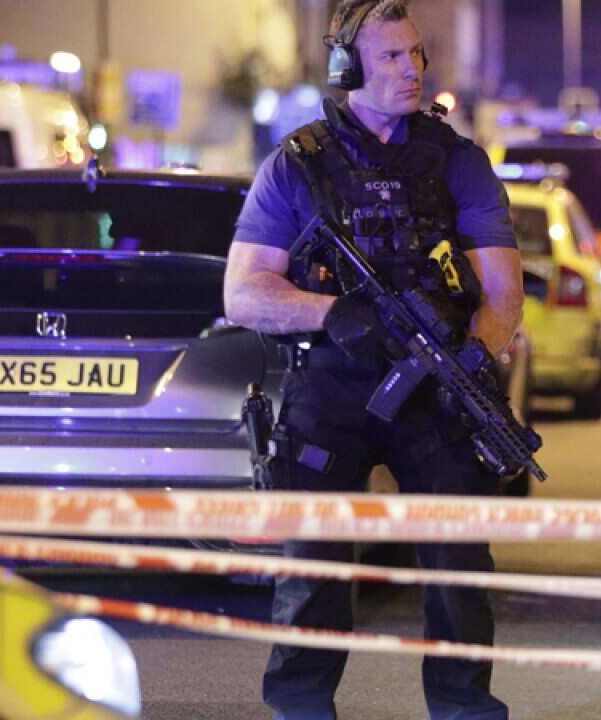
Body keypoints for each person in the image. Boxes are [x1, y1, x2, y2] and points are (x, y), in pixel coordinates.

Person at [223, 1, 523, 718]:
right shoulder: (296, 165)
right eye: (391, 57)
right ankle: (300, 707)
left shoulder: (457, 160)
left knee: (458, 567)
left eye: (416, 54)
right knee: (314, 567)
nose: (411, 70)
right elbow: (243, 293)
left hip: (436, 386)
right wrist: (331, 312)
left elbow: (503, 292)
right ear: (349, 68)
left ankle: (463, 709)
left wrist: (474, 362)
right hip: (331, 385)